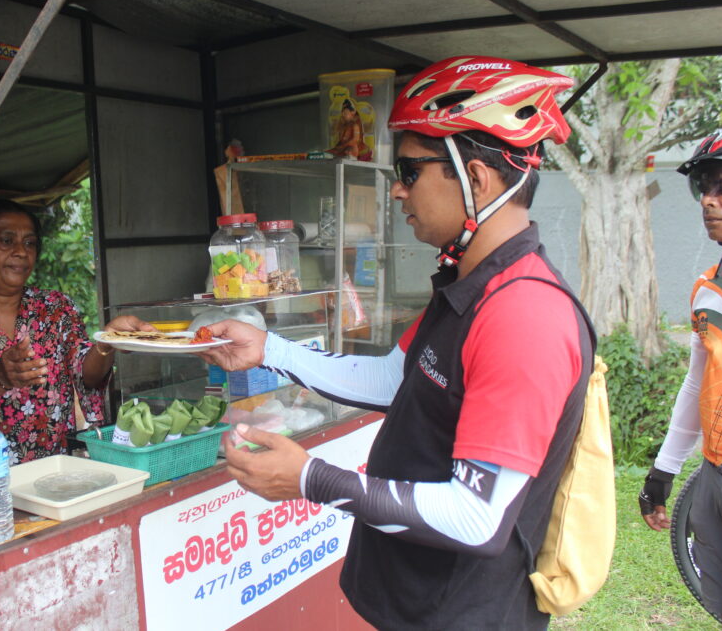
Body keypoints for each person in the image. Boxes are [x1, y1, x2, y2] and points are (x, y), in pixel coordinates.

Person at [202, 56, 591, 629]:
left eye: (410, 173)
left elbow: (476, 518)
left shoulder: (523, 315)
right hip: (413, 601)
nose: (397, 194)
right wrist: (270, 349)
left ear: (476, 179)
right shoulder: (469, 287)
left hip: (458, 613)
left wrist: (310, 479)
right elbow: (393, 379)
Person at [0, 198, 152, 464]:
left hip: (55, 471)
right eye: (6, 241)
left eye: (29, 243)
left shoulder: (55, 308)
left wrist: (106, 342)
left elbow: (86, 374)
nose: (21, 251)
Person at [639, 128, 722, 621]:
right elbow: (698, 383)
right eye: (703, 188)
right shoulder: (708, 291)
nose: (709, 201)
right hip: (715, 479)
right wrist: (663, 471)